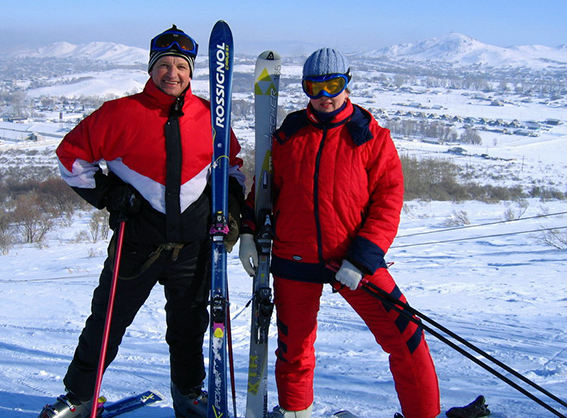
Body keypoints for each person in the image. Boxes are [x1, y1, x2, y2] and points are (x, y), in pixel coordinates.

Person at [39, 25, 245, 418]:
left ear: (191, 71)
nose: (172, 73)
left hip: (193, 245)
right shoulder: (119, 114)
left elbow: (230, 167)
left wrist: (232, 211)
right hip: (137, 243)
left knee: (189, 328)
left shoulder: (209, 116)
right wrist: (107, 193)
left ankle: (188, 394)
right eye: (164, 65)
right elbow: (71, 156)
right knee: (107, 322)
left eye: (181, 66)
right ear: (151, 69)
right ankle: (80, 397)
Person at [238, 48, 441, 418]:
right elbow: (266, 189)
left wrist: (362, 258)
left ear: (347, 83)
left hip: (350, 260)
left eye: (334, 85)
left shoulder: (369, 135)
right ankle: (297, 413)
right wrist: (249, 231)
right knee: (294, 349)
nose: (325, 96)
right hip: (293, 257)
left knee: (406, 336)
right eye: (315, 87)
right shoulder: (291, 133)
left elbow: (389, 198)